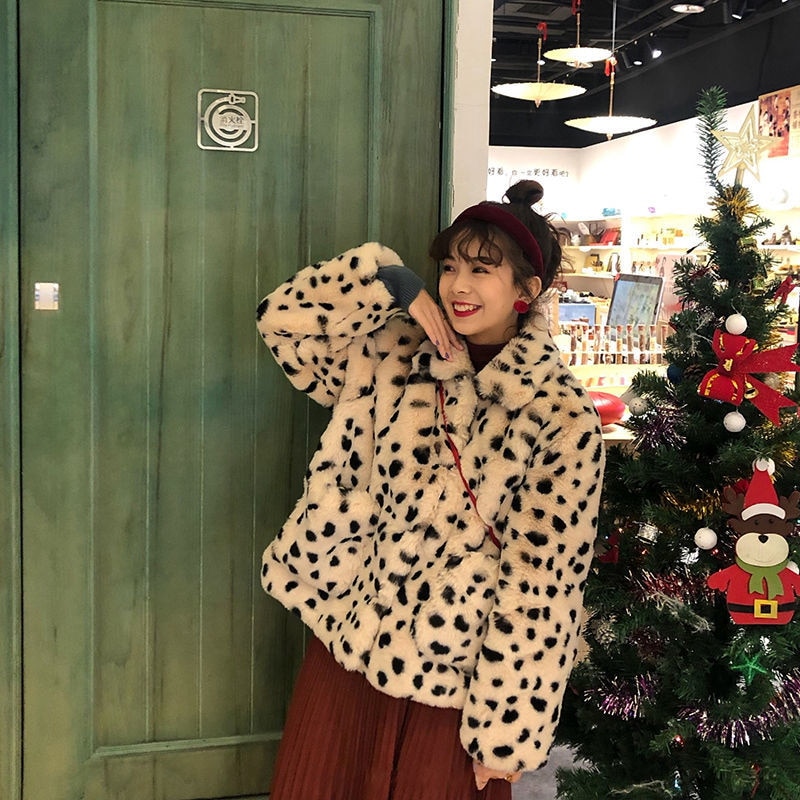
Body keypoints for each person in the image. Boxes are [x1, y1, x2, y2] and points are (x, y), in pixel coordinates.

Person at [256, 180, 605, 800]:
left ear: (527, 291)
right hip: (349, 637)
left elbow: (544, 586)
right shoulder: (395, 350)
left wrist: (504, 737)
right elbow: (283, 326)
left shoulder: (561, 415)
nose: (457, 286)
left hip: (451, 673)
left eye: (481, 270)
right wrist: (391, 285)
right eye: (449, 267)